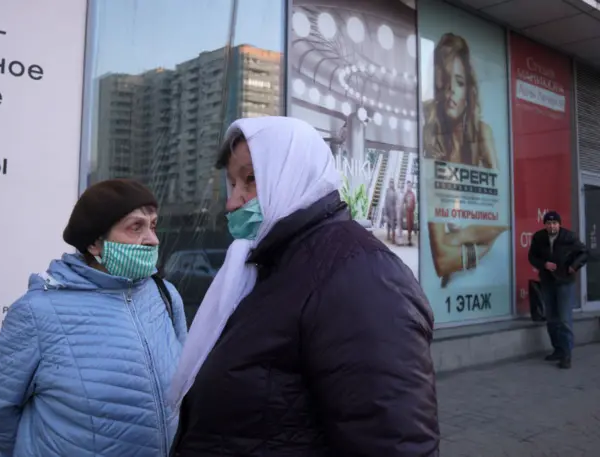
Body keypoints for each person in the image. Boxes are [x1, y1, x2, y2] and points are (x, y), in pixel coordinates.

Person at [169, 117, 439, 456]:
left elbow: (393, 441)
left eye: (251, 179)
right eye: (232, 182)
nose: (233, 202)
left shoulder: (359, 273)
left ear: (292, 174)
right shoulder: (262, 265)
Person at [0, 179, 188, 457]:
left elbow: (184, 380)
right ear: (95, 243)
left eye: (153, 225)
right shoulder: (38, 311)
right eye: (136, 227)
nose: (153, 239)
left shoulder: (164, 294)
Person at [423, 33, 507, 287]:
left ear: (469, 91)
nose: (450, 91)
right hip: (455, 280)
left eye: (458, 82)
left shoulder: (482, 134)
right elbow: (441, 260)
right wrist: (477, 243)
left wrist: (459, 237)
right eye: (444, 81)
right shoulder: (432, 141)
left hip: (488, 274)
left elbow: (502, 218)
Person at [529, 211, 588, 369]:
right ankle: (557, 350)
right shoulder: (539, 237)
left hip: (565, 281)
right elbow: (532, 257)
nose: (552, 226)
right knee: (551, 318)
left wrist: (574, 267)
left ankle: (567, 354)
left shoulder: (569, 237)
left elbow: (584, 253)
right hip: (547, 281)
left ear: (559, 224)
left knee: (564, 318)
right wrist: (544, 265)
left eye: (554, 223)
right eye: (548, 223)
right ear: (545, 224)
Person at [383, 178, 397, 244]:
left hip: (393, 211)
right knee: (388, 224)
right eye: (390, 182)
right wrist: (385, 213)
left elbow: (396, 202)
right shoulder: (387, 191)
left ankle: (393, 238)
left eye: (392, 182)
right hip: (388, 210)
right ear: (389, 183)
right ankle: (388, 236)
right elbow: (385, 202)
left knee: (393, 224)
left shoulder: (395, 191)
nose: (391, 184)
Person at [404, 180, 416, 246]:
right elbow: (404, 201)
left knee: (411, 225)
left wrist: (413, 210)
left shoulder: (413, 194)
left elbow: (414, 203)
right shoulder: (406, 194)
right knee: (409, 226)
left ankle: (410, 238)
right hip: (408, 212)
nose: (409, 187)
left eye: (410, 186)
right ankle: (409, 240)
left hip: (412, 212)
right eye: (408, 186)